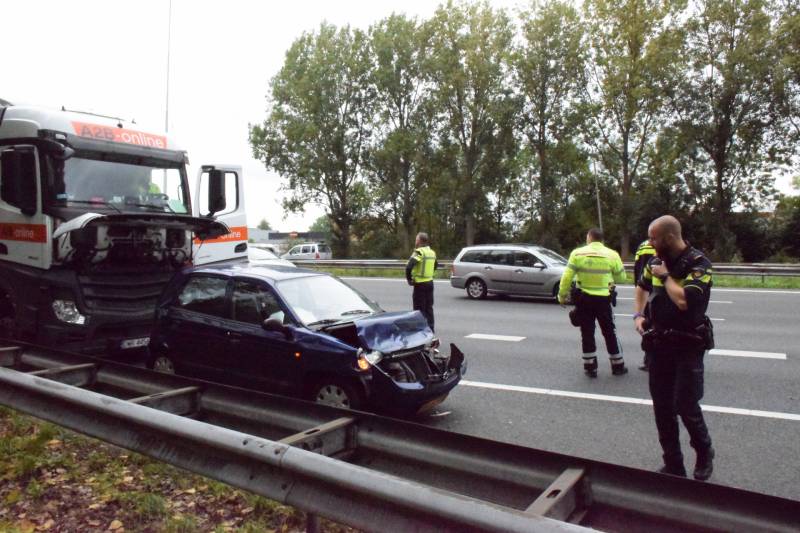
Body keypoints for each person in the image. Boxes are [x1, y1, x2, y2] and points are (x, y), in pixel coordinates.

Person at [633, 215, 715, 480]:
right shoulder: (655, 262)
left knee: (686, 406)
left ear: (668, 238)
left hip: (688, 344)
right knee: (663, 409)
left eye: (653, 238)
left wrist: (666, 276)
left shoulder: (698, 264)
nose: (650, 243)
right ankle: (673, 465)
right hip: (659, 344)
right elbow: (641, 287)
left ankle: (704, 453)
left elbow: (684, 302)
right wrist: (638, 315)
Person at [558, 228, 628, 377]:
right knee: (610, 332)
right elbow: (622, 278)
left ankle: (590, 368)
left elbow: (566, 277)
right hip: (604, 300)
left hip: (584, 299)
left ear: (589, 238)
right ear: (602, 240)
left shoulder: (577, 253)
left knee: (587, 333)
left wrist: (562, 295)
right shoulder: (612, 254)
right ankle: (618, 366)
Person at [405, 232, 438, 332]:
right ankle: (431, 330)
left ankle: (420, 332)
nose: (415, 241)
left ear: (419, 241)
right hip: (430, 283)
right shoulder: (432, 252)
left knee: (419, 310)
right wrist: (430, 274)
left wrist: (409, 280)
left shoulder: (419, 252)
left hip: (420, 284)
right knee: (429, 308)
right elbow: (436, 265)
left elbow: (409, 267)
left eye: (416, 239)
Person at [633, 238, 656, 371]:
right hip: (657, 289)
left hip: (645, 288)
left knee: (647, 324)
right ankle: (651, 359)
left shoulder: (642, 246)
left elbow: (638, 270)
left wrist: (638, 288)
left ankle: (649, 359)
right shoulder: (667, 244)